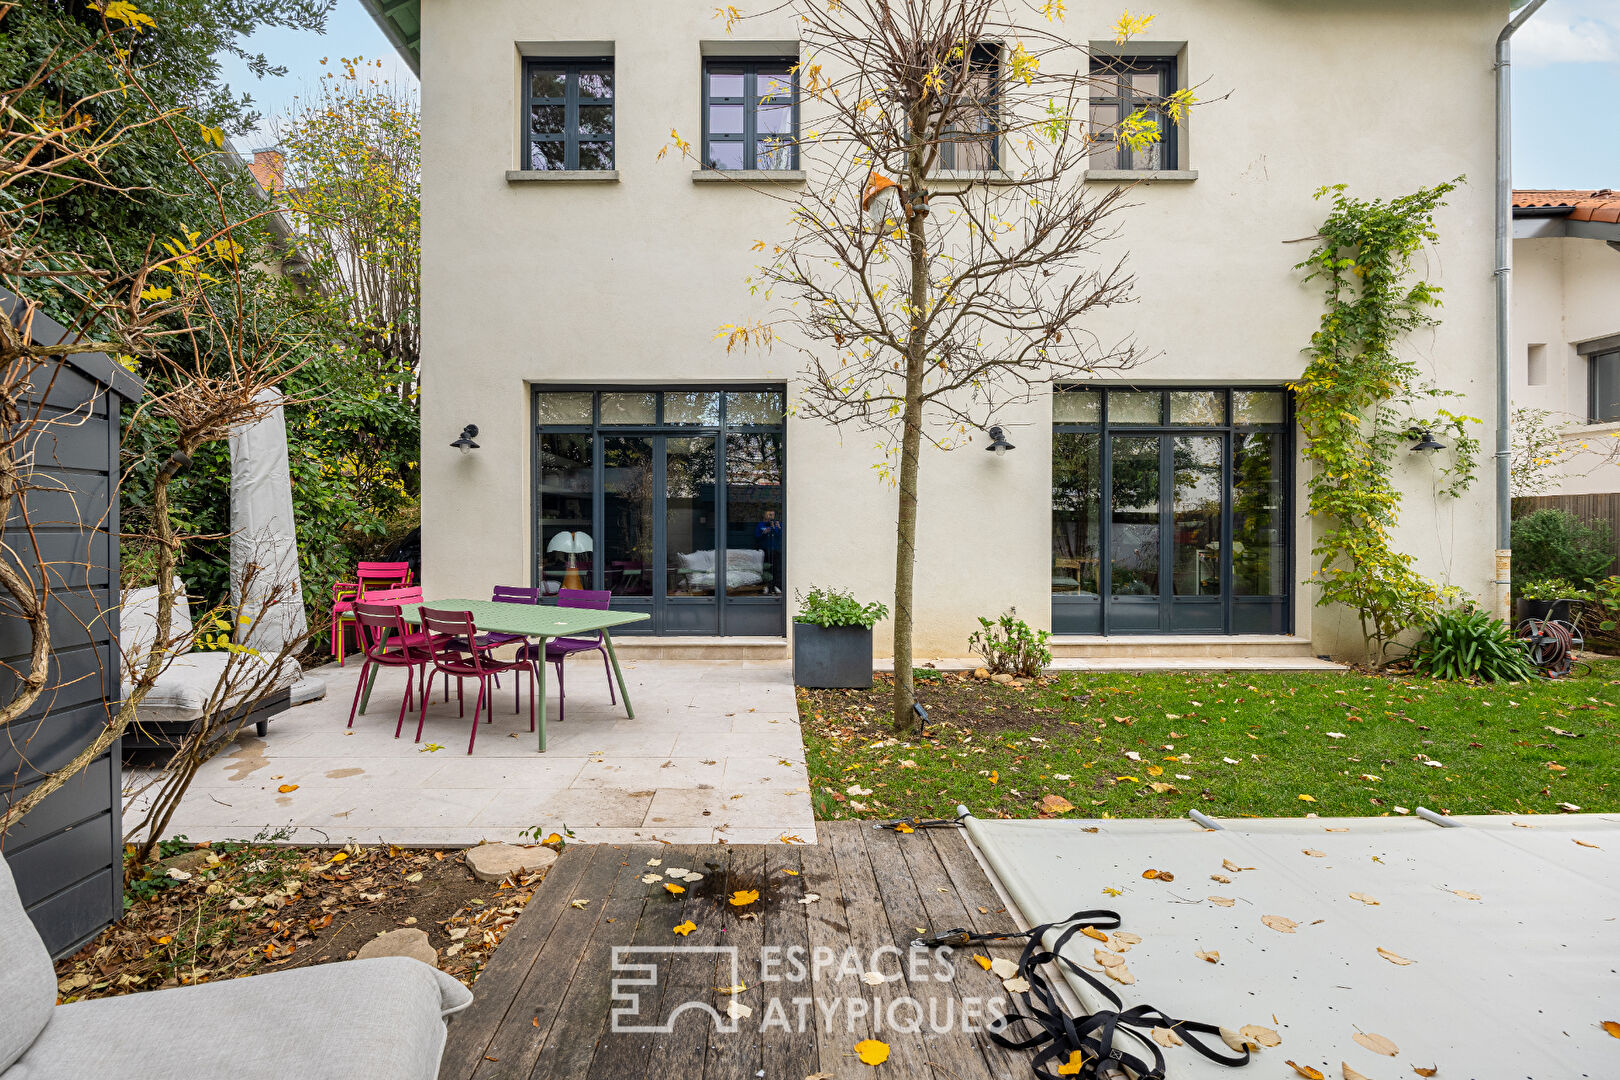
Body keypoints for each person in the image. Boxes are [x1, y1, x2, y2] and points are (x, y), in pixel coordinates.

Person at [754, 508, 783, 594]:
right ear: (764, 515)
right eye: (769, 514)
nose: (771, 516)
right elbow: (756, 537)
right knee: (766, 568)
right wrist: (764, 533)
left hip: (775, 550)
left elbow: (781, 537)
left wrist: (778, 528)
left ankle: (775, 586)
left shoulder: (778, 524)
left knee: (776, 568)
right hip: (764, 550)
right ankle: (765, 586)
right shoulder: (761, 525)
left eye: (772, 515)